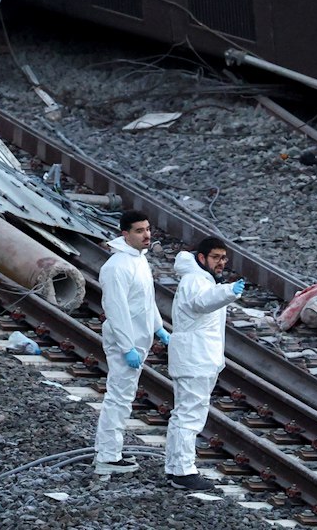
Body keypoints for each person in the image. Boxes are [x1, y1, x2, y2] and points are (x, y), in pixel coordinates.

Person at [164, 237, 247, 489]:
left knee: (185, 413)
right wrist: (228, 291)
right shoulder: (195, 280)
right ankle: (183, 472)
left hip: (198, 357)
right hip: (195, 358)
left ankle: (175, 468)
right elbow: (202, 303)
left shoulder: (203, 279)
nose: (221, 263)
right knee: (190, 414)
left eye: (223, 258)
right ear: (202, 258)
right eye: (215, 257)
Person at [94, 210, 166, 477]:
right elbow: (116, 310)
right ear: (125, 234)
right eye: (139, 231)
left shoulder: (139, 259)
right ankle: (108, 456)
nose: (146, 235)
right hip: (126, 341)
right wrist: (127, 348)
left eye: (147, 229)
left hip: (138, 338)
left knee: (124, 396)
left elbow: (145, 299)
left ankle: (111, 452)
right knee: (119, 398)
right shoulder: (116, 267)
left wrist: (158, 328)